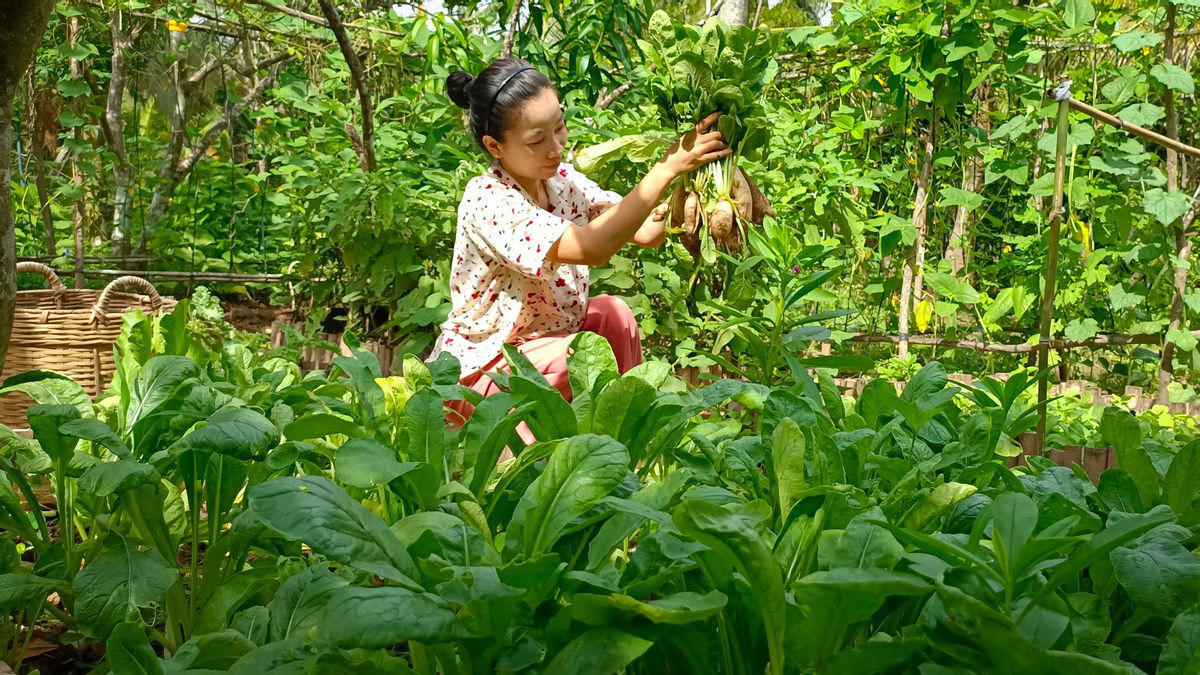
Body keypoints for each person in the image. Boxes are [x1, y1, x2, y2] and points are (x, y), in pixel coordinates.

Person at [429, 58, 730, 443]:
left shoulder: (561, 181)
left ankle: (622, 442)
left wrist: (693, 178)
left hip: (549, 348)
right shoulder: (488, 200)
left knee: (614, 315)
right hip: (485, 371)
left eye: (560, 127)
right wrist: (666, 167)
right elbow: (593, 247)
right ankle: (545, 455)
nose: (555, 148)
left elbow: (646, 232)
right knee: (580, 356)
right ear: (494, 146)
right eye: (537, 140)